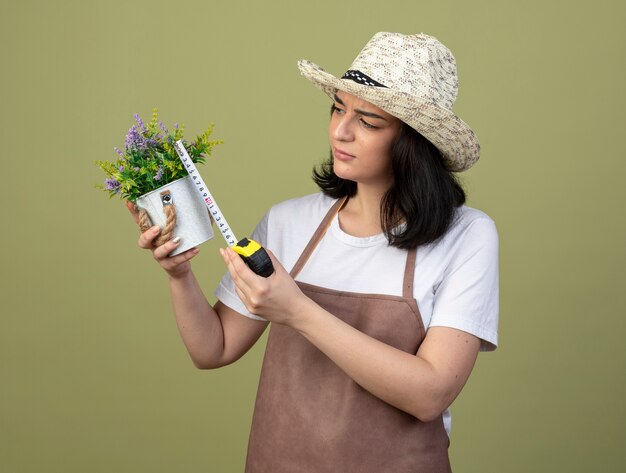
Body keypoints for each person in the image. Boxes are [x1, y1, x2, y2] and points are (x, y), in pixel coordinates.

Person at [128, 32, 498, 472]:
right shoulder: (289, 222)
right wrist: (179, 275)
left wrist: (297, 311)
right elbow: (214, 349)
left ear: (413, 141)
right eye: (338, 108)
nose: (340, 130)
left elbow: (430, 394)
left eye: (369, 121)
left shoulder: (467, 235)